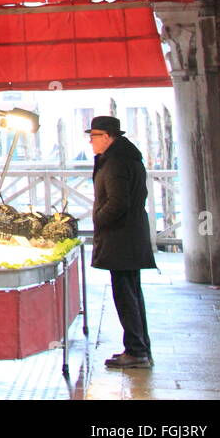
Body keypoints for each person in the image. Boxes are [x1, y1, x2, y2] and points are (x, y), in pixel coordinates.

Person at [88, 115, 156, 369]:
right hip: (128, 236)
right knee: (131, 294)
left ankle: (137, 351)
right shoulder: (126, 158)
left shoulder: (116, 162)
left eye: (93, 137)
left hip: (121, 238)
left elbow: (118, 202)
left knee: (126, 295)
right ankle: (139, 348)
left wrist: (98, 220)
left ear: (107, 137)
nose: (91, 142)